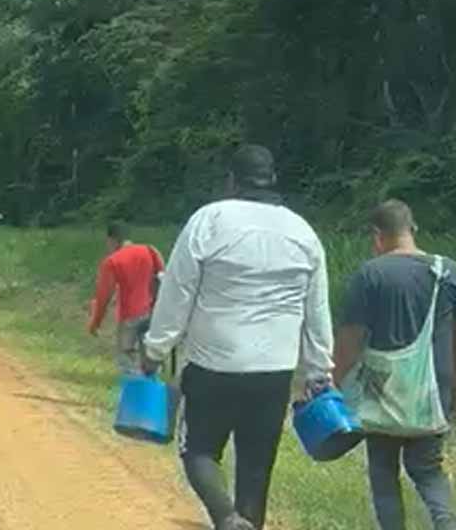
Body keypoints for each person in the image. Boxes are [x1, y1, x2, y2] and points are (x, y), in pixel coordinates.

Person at [142, 145, 334, 530]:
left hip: (214, 364)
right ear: (273, 178)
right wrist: (318, 371)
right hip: (275, 371)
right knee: (257, 468)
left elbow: (177, 293)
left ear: (231, 180)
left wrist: (155, 349)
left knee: (197, 451)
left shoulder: (209, 220)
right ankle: (242, 521)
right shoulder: (302, 231)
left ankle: (226, 518)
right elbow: (316, 310)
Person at [334, 200, 456, 530]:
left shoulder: (370, 274)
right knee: (429, 469)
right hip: (435, 388)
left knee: (384, 470)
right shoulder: (447, 271)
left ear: (377, 235)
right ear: (412, 229)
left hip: (383, 388)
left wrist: (334, 381)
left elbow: (350, 340)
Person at [86, 222, 164, 375]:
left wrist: (95, 322)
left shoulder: (112, 261)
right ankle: (152, 395)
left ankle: (135, 395)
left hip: (130, 315)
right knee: (151, 358)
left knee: (128, 360)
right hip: (154, 312)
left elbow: (103, 297)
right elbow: (163, 278)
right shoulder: (150, 251)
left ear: (112, 240)